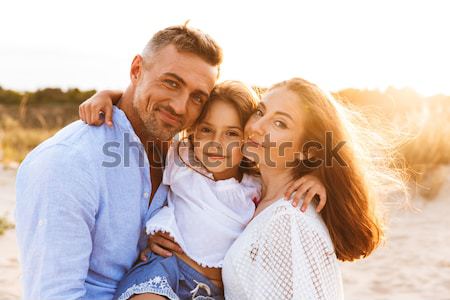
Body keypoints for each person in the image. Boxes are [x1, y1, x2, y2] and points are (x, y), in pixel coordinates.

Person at [142, 78, 404, 299]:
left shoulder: (288, 220)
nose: (256, 127)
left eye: (280, 124)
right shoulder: (258, 198)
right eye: (260, 112)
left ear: (307, 149)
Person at [15, 24, 222, 299]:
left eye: (197, 97)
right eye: (171, 83)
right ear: (137, 69)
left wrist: (301, 173)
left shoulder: (188, 160)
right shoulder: (66, 163)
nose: (180, 107)